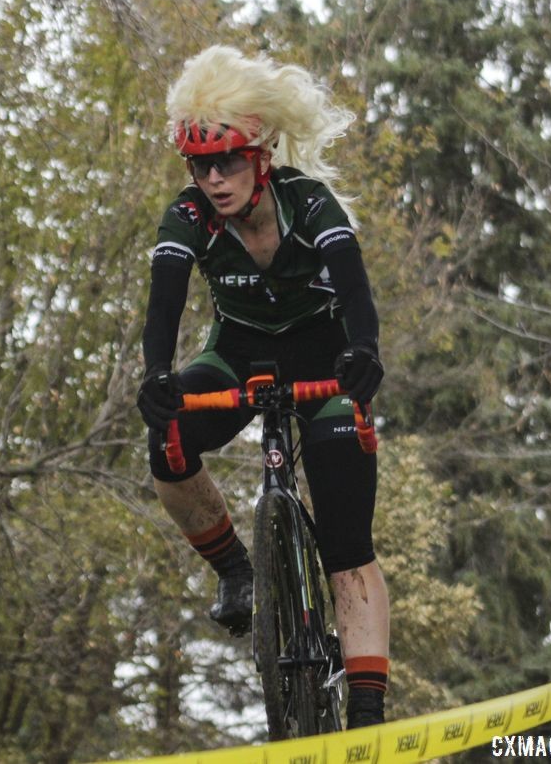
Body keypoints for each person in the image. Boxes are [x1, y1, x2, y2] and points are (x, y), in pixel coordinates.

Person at [137, 45, 391, 729]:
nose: (214, 178)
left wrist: (365, 353)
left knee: (346, 545)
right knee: (166, 443)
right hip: (240, 355)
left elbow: (357, 292)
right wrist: (156, 376)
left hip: (324, 359)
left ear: (263, 154)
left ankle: (367, 707)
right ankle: (236, 570)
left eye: (228, 160)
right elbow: (163, 306)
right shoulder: (189, 217)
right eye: (200, 163)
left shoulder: (308, 202)